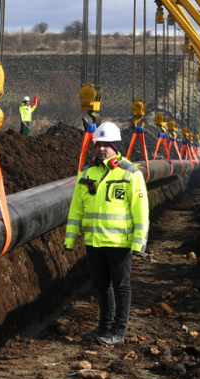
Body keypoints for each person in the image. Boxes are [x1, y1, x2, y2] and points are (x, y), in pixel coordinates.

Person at [64, 121, 149, 346]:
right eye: (98, 144)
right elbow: (76, 208)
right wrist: (70, 239)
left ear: (116, 147)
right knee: (102, 286)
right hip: (94, 242)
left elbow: (141, 212)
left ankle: (118, 330)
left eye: (107, 145)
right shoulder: (88, 173)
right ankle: (104, 327)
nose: (102, 149)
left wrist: (138, 244)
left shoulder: (130, 173)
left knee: (121, 286)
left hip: (120, 243)